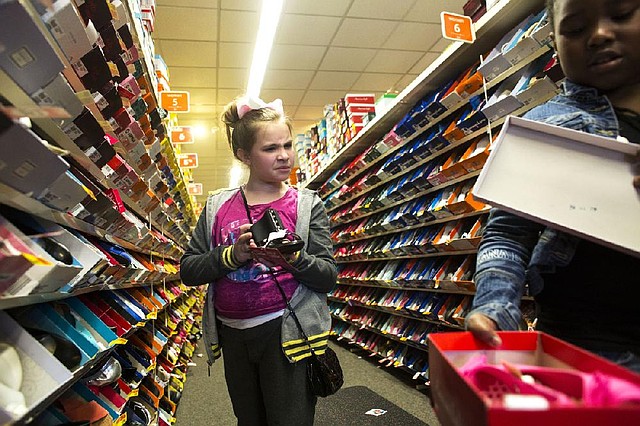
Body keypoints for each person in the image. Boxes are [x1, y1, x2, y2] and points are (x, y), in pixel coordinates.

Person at [466, 0, 640, 373]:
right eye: (575, 29)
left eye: (622, 14)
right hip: (581, 339)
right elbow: (508, 234)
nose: (599, 35)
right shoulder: (544, 127)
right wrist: (495, 306)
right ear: (554, 42)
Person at [180, 95, 338, 425]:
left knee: (289, 420)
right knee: (249, 420)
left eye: (288, 145)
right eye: (270, 148)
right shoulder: (217, 207)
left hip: (286, 332)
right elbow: (188, 269)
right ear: (244, 156)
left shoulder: (308, 206)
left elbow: (328, 277)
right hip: (233, 336)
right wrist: (233, 255)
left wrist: (293, 259)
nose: (284, 156)